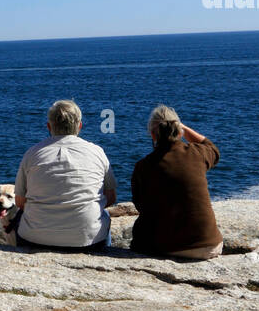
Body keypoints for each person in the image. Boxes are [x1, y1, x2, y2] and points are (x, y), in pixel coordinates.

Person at [11, 99, 116, 250]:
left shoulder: (32, 153)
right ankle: (104, 255)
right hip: (88, 239)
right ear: (80, 126)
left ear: (49, 126)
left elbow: (20, 202)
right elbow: (111, 197)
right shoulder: (97, 152)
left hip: (35, 238)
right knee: (103, 215)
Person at [130, 105, 223, 259]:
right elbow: (212, 148)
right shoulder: (197, 153)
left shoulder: (143, 166)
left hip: (170, 247)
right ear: (180, 131)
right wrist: (183, 128)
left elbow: (140, 205)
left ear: (153, 135)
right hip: (209, 245)